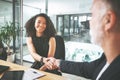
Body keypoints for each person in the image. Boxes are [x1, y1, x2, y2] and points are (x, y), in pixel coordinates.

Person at [45, 0, 120, 80]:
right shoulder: (106, 58)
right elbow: (88, 69)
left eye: (93, 15)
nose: (89, 22)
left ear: (108, 20)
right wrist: (58, 63)